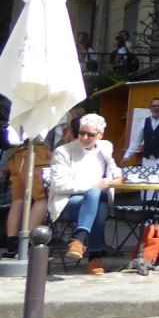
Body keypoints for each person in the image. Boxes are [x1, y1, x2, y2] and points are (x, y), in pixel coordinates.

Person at [49, 113, 120, 274]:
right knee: (94, 193)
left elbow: (116, 175)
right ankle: (93, 255)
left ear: (100, 136)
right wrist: (93, 186)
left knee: (99, 205)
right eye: (82, 133)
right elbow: (59, 185)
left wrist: (111, 180)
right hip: (67, 202)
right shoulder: (63, 152)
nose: (85, 137)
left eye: (91, 135)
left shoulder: (105, 148)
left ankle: (79, 242)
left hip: (93, 203)